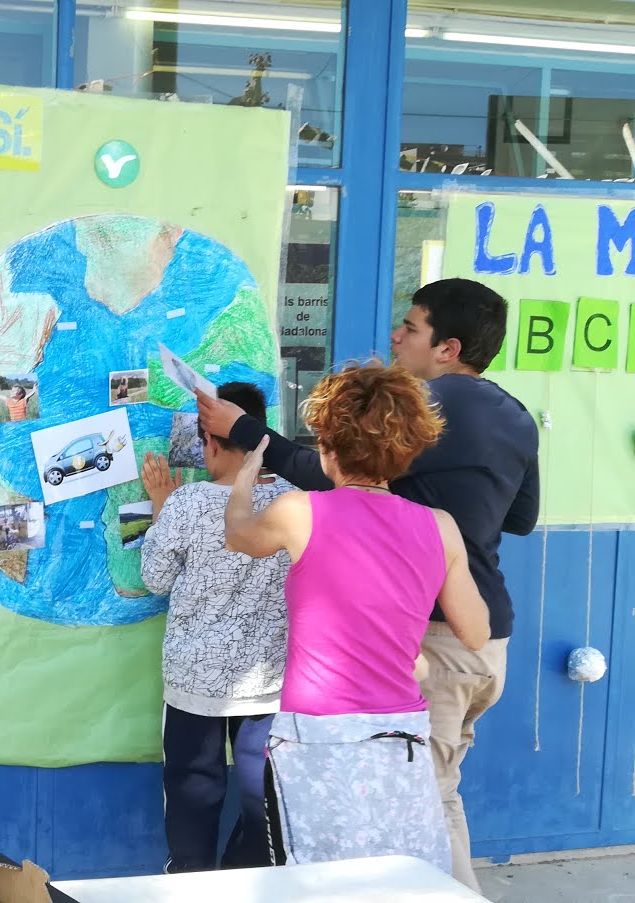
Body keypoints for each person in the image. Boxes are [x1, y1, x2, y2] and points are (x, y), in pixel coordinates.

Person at [195, 278, 538, 890]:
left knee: (355, 850)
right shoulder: (505, 428)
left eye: (410, 327)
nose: (396, 335)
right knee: (433, 805)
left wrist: (249, 449)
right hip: (477, 655)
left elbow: (266, 512)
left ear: (448, 348)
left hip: (344, 714)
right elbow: (521, 519)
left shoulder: (319, 500)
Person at [223, 363, 492, 873]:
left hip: (315, 738)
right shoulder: (440, 527)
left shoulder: (298, 509)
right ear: (409, 449)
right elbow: (476, 631)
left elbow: (239, 535)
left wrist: (244, 480)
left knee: (317, 880)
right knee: (397, 879)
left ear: (327, 446)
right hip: (401, 736)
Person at [140, 382, 293, 873]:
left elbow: (155, 578)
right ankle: (242, 881)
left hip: (194, 685)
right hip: (269, 683)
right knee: (263, 800)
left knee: (192, 794)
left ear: (210, 442)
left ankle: (191, 882)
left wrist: (163, 505)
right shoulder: (297, 502)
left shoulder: (187, 504)